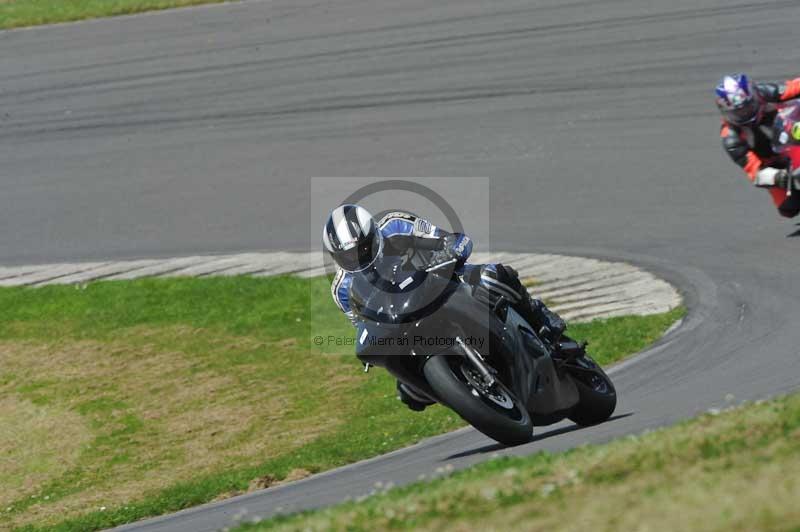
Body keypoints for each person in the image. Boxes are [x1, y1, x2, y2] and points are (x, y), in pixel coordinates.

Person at [322, 204, 566, 411]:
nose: (357, 259)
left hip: (445, 283)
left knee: (496, 276)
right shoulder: (342, 289)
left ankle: (541, 319)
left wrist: (448, 251)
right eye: (348, 257)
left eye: (362, 249)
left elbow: (449, 240)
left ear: (373, 235)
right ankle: (464, 389)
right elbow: (364, 323)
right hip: (405, 321)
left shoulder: (395, 225)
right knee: (408, 391)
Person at [716, 73, 800, 217]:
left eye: (747, 107)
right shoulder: (731, 138)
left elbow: (793, 87)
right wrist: (779, 176)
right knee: (788, 208)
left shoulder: (765, 92)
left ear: (754, 97)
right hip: (774, 162)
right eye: (739, 112)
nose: (745, 113)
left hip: (792, 133)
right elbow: (755, 173)